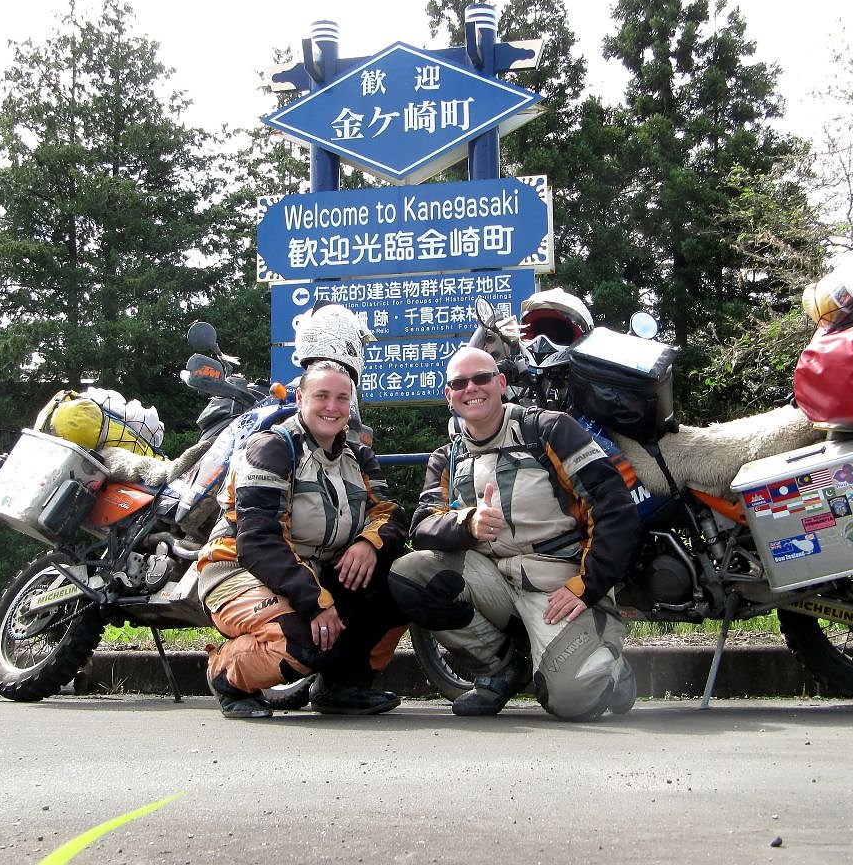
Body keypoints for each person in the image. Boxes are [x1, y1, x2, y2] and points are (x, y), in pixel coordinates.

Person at [388, 345, 641, 721]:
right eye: (459, 383)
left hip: (559, 585)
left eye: (482, 378)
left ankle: (609, 665)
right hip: (494, 581)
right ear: (449, 395)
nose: (471, 388)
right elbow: (423, 525)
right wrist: (467, 524)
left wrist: (588, 586)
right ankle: (501, 669)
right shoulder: (447, 458)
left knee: (573, 701)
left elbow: (614, 507)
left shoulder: (549, 429)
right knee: (410, 573)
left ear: (501, 382)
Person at [197, 308, 410, 719]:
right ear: (300, 399)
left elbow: (390, 513)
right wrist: (316, 603)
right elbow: (257, 542)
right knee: (305, 642)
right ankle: (226, 674)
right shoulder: (271, 448)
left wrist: (369, 543)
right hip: (239, 571)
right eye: (321, 396)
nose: (332, 406)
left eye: (342, 398)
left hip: (312, 575)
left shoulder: (359, 455)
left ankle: (343, 686)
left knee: (403, 584)